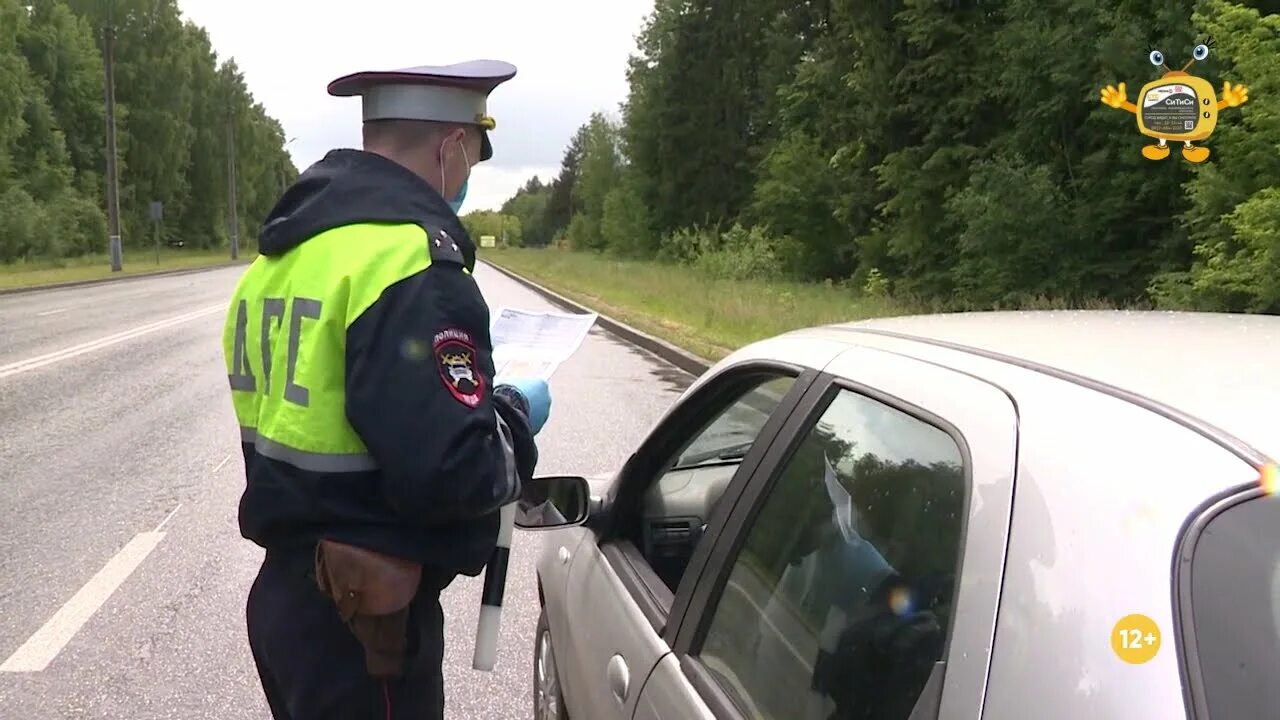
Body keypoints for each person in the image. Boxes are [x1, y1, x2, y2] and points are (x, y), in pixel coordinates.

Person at [220, 59, 552, 720]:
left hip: (285, 602)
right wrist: (511, 415)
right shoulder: (411, 265)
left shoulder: (281, 258)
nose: (463, 180)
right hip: (365, 626)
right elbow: (452, 475)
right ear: (452, 145)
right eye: (472, 161)